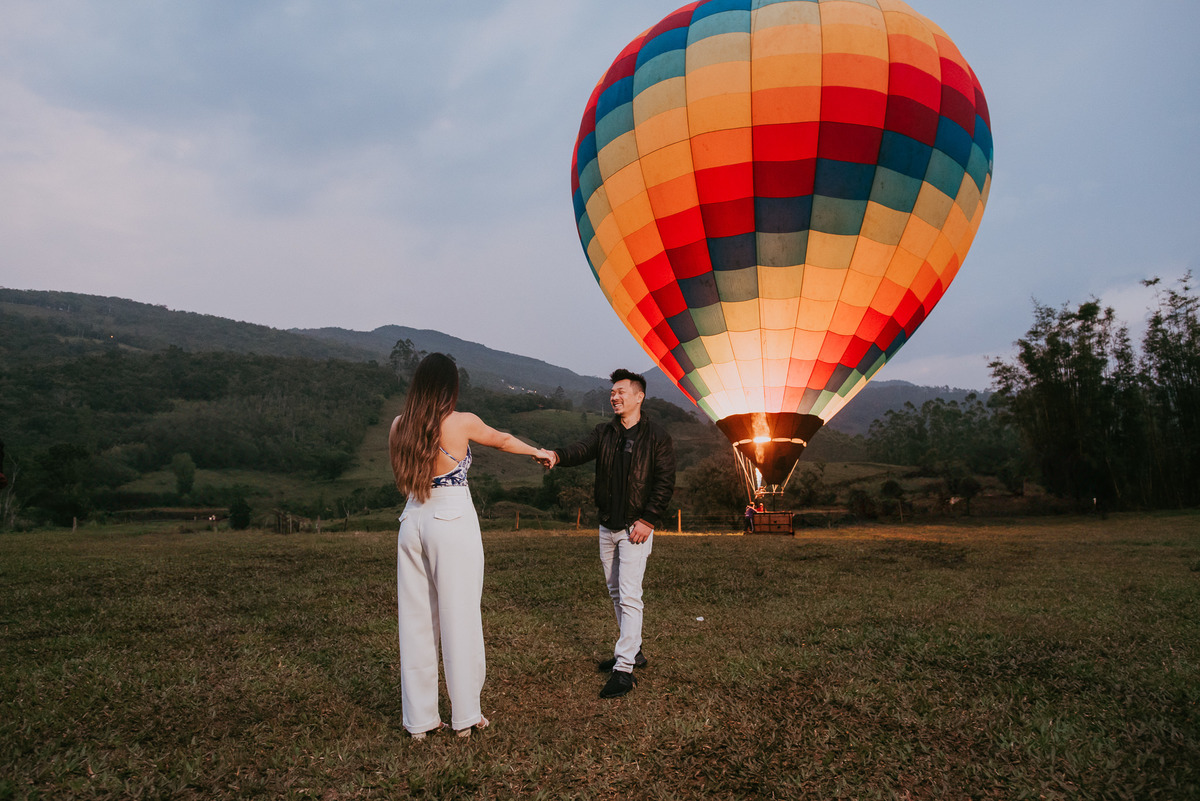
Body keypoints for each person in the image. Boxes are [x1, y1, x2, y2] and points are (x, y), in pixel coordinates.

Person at [389, 352, 554, 739]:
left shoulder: (398, 426)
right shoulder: (460, 422)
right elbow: (502, 440)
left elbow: (402, 477)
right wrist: (538, 451)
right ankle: (465, 717)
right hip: (451, 519)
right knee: (459, 616)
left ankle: (420, 721)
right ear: (450, 387)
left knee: (416, 622)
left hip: (411, 518)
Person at [540, 369, 675, 698]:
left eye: (621, 392)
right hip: (607, 525)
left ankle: (624, 669)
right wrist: (556, 456)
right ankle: (633, 651)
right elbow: (580, 450)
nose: (614, 396)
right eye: (611, 392)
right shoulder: (605, 432)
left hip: (635, 526)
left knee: (630, 595)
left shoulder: (657, 436)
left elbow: (664, 481)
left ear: (639, 396)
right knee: (616, 592)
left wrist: (649, 519)